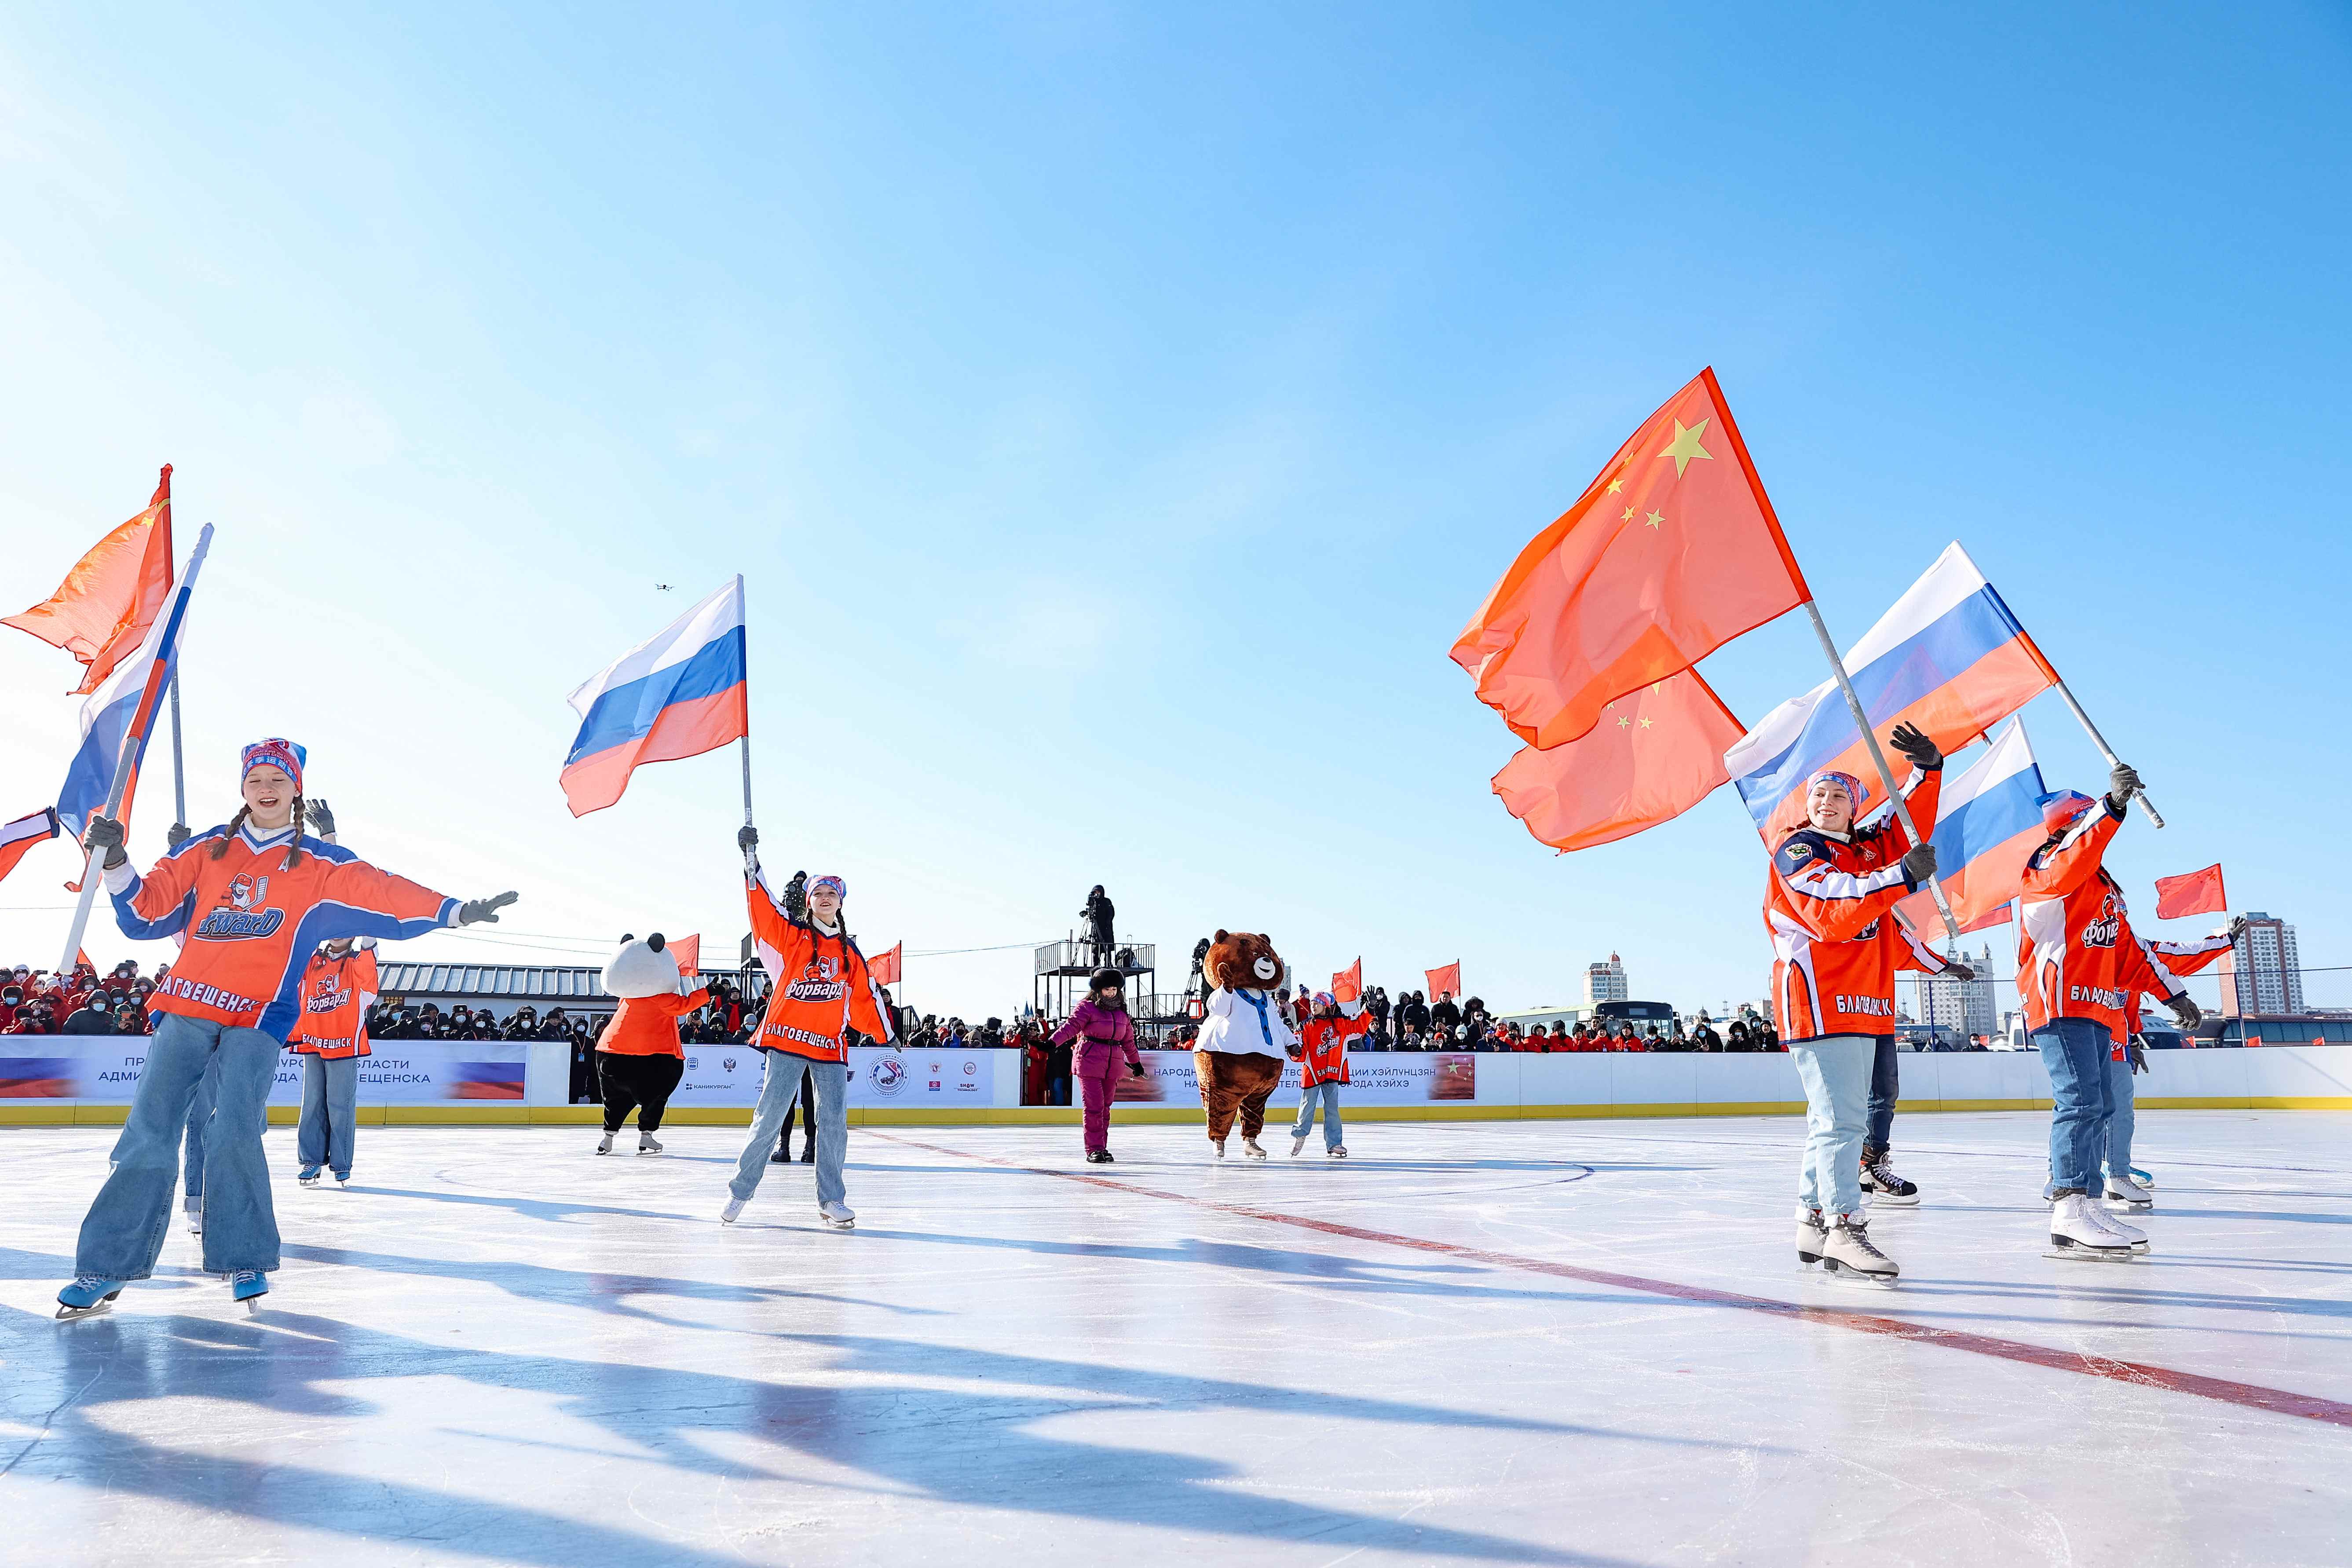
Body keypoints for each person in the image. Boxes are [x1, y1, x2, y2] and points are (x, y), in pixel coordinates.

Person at [56, 738, 515, 1319]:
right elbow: (147, 912)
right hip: (188, 1004)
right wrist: (118, 861)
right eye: (256, 781)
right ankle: (107, 1266)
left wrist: (454, 911)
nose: (266, 790)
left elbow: (382, 890)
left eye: (278, 780)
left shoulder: (319, 864)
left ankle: (242, 1255)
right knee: (149, 1132)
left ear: (295, 789)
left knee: (234, 1131)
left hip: (258, 1013)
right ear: (242, 788)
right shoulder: (207, 850)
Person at [1763, 724, 1951, 1287]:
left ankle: (1811, 1218)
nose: (1826, 801)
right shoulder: (1799, 850)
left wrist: (1928, 771)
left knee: (1830, 1121)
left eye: (1839, 794)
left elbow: (1903, 826)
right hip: (1822, 999)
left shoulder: (1865, 849)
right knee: (1842, 1122)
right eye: (1819, 793)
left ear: (1854, 807)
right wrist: (1899, 876)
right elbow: (1828, 905)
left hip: (1864, 1001)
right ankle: (1844, 1226)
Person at [2015, 767, 2195, 1261]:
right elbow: (2073, 858)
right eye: (2082, 821)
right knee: (2076, 1101)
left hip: (2096, 1005)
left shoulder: (2102, 887)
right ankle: (2069, 1207)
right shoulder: (2049, 865)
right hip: (2059, 1000)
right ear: (2068, 826)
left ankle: (2089, 1202)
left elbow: (2128, 952)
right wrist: (2112, 806)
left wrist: (2172, 994)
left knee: (2097, 1106)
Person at [722, 830, 895, 1229]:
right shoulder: (794, 935)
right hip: (786, 1039)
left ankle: (831, 1199)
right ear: (809, 901)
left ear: (840, 902)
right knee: (769, 1117)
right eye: (818, 894)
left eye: (831, 895)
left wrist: (886, 1033)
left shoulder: (850, 953)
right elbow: (764, 909)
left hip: (829, 1046)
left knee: (833, 1121)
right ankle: (739, 1192)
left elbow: (867, 997)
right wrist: (752, 860)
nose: (824, 900)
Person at [2103, 920, 2237, 1202]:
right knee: (2080, 1110)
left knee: (2121, 1114)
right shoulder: (2075, 948)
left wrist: (2131, 1041)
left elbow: (2181, 955)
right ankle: (2063, 1177)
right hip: (2079, 1036)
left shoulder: (2136, 952)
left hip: (2116, 1045)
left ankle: (2117, 1174)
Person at [595, 935, 709, 1156]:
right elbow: (685, 1005)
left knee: (615, 1099)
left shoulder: (626, 999)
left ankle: (608, 1137)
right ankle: (646, 1136)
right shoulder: (661, 1000)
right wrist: (709, 992)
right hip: (652, 1055)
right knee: (655, 1095)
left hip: (610, 1052)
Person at [288, 934, 377, 1186]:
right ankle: (311, 1160)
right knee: (312, 1104)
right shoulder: (313, 960)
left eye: (346, 929)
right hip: (313, 1040)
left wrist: (369, 941)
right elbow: (293, 971)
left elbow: (369, 983)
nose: (339, 934)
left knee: (340, 1106)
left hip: (343, 1044)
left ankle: (341, 1164)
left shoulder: (356, 962)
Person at [1050, 969, 1145, 1163]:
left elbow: (1128, 1042)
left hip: (1113, 1065)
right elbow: (1071, 1027)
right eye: (1107, 989)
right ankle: (1093, 1149)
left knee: (1105, 1108)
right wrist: (1051, 1043)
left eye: (1114, 989)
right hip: (1089, 1062)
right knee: (1094, 1108)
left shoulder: (1121, 1013)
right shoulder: (1087, 1007)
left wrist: (1136, 1063)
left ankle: (1102, 1147)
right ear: (1098, 990)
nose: (1111, 992)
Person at [1290, 991, 1372, 1157]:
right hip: (1313, 1073)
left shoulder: (1340, 1023)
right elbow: (1299, 1051)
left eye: (1317, 1004)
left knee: (1332, 1109)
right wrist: (1295, 1049)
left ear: (1326, 1006)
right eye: (1312, 1004)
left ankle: (1334, 1143)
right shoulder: (1306, 1026)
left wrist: (1369, 1008)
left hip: (1332, 1072)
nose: (1313, 1007)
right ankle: (1300, 1136)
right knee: (1307, 1107)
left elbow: (1358, 1024)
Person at [1083, 885, 1116, 964]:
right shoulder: (1094, 903)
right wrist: (1085, 914)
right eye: (1095, 892)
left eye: (1098, 892)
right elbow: (1091, 912)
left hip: (1106, 930)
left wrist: (1107, 923)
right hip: (1095, 932)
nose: (1097, 894)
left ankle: (1108, 964)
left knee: (1107, 949)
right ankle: (1096, 966)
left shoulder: (1106, 902)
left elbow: (1111, 914)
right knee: (1096, 950)